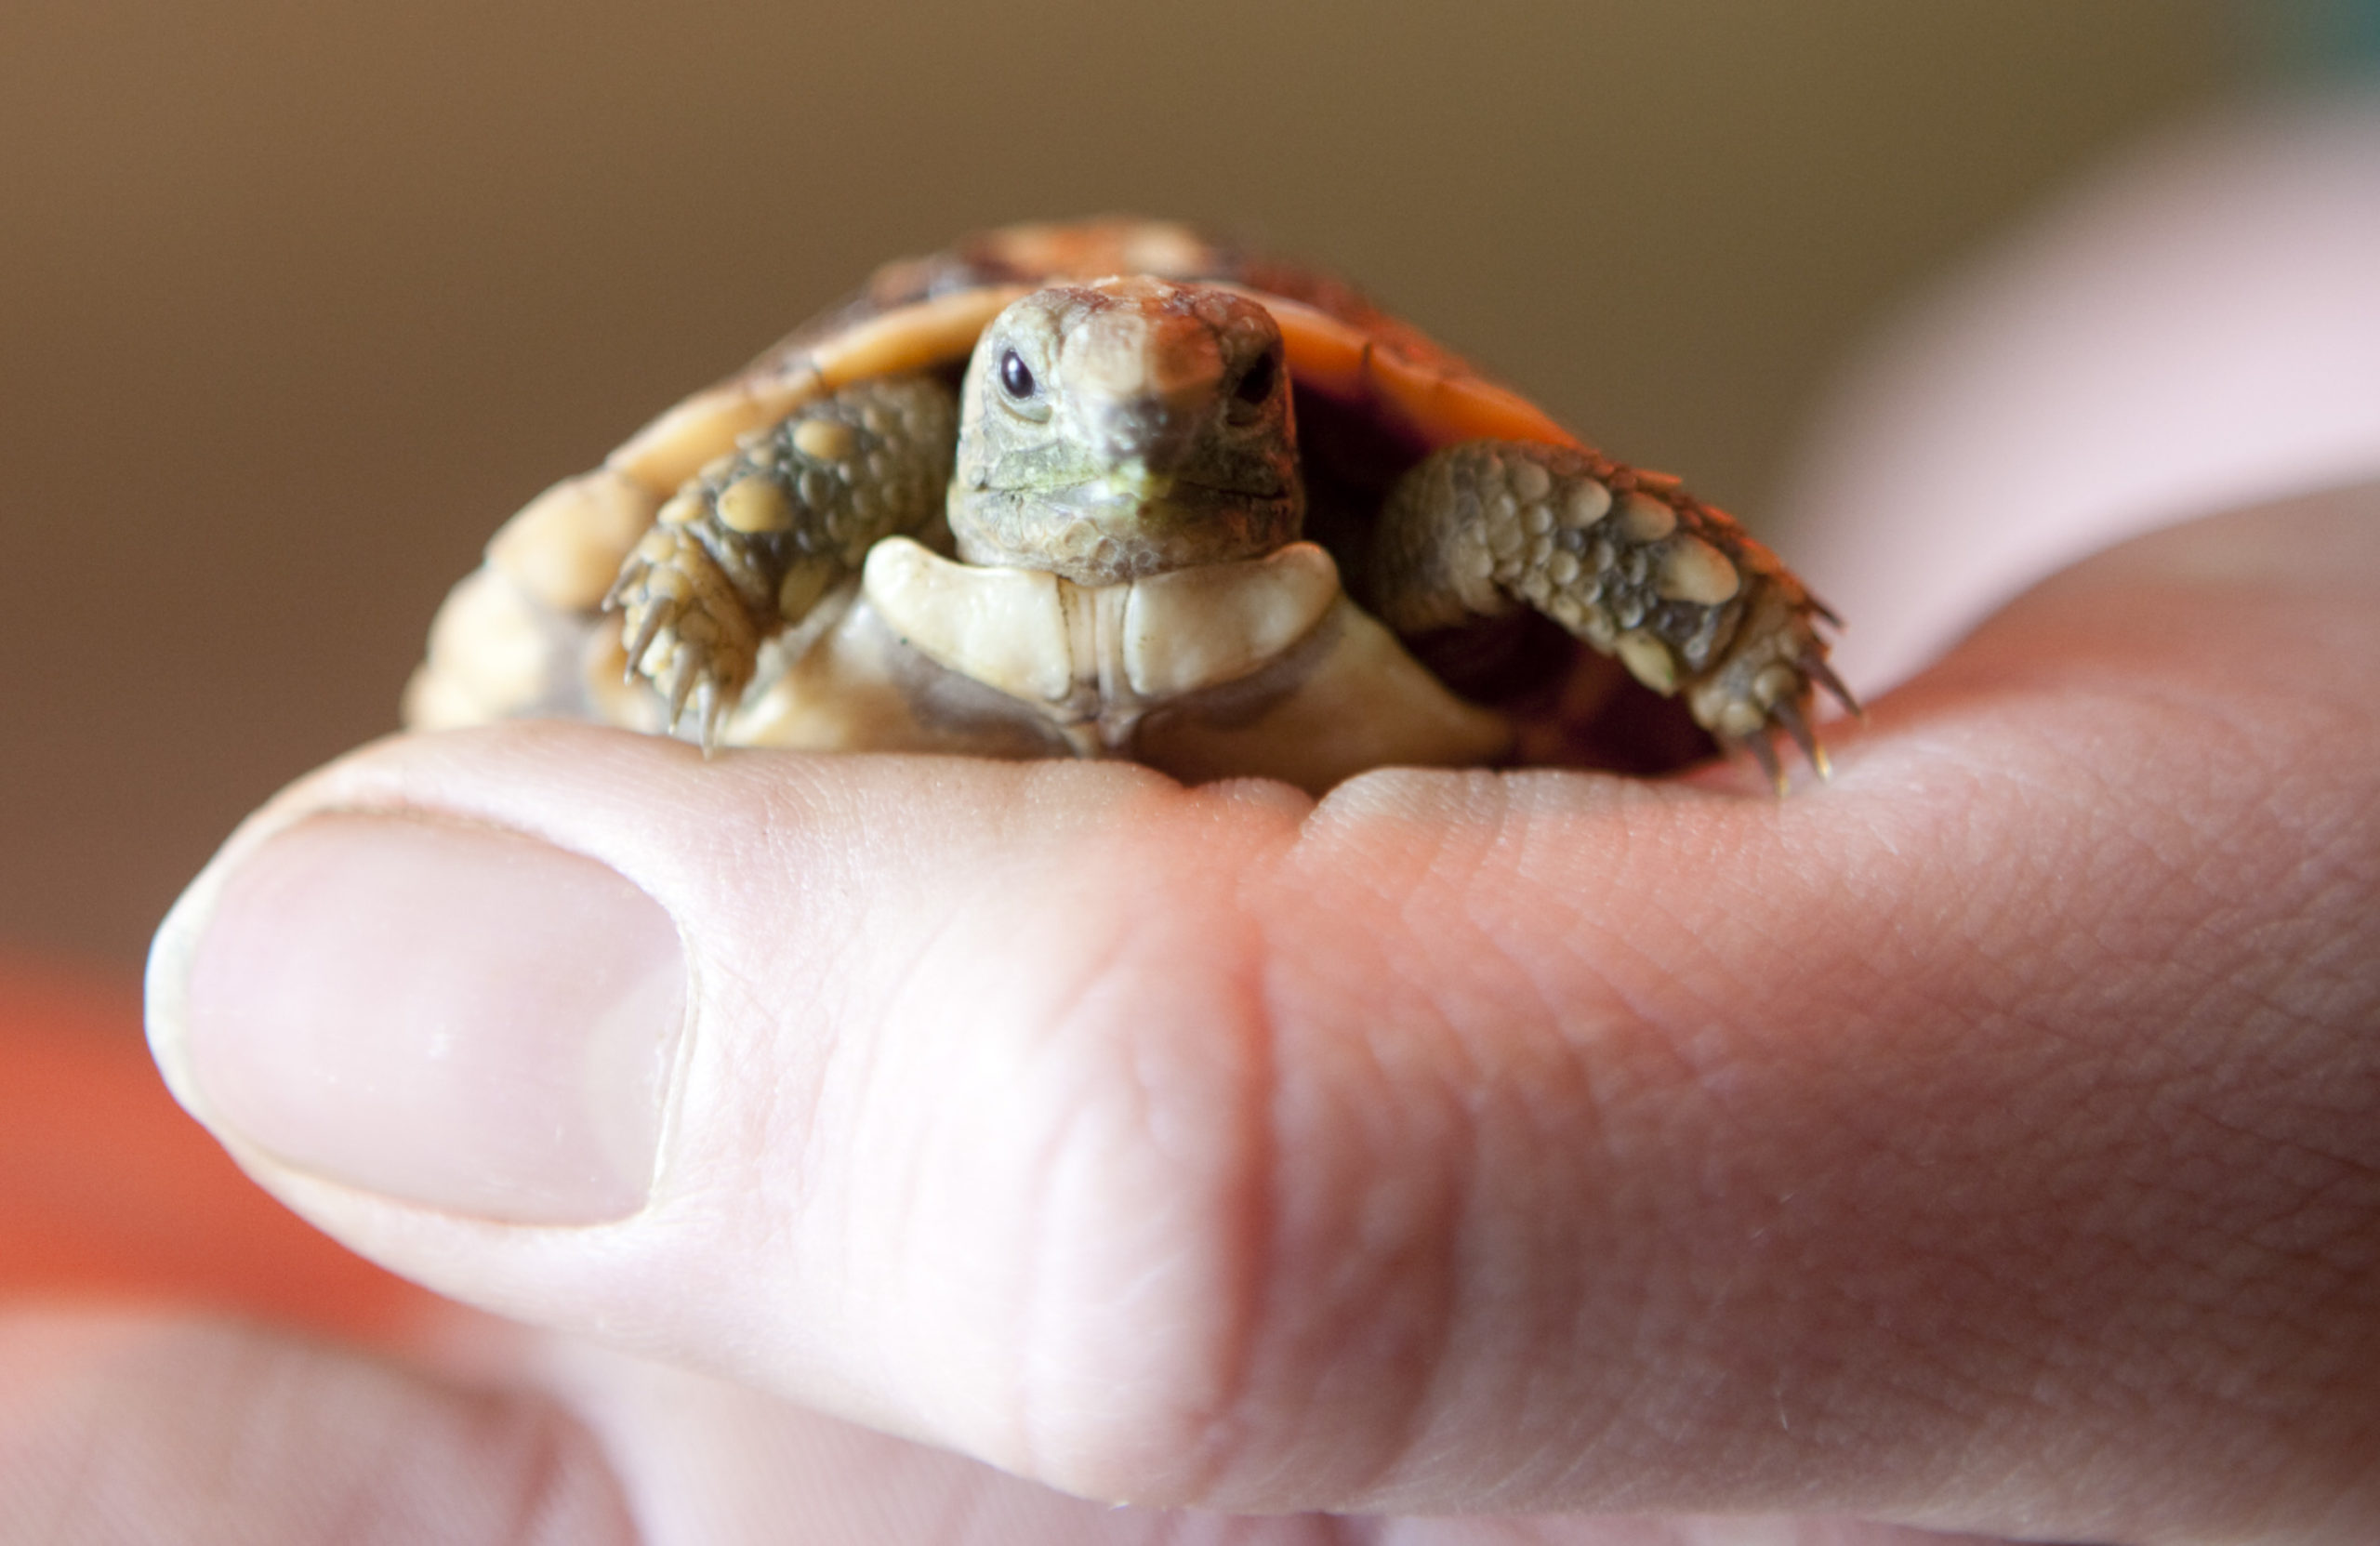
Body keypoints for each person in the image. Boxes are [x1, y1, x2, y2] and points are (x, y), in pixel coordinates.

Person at [17, 96, 2380, 1544]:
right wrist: (693, 602)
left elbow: (1563, 553)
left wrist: (1805, 711)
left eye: (1219, 375)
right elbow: (739, 527)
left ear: (1270, 401)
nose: (1131, 406)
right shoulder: (866, 470)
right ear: (983, 411)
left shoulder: (1414, 541)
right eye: (1038, 381)